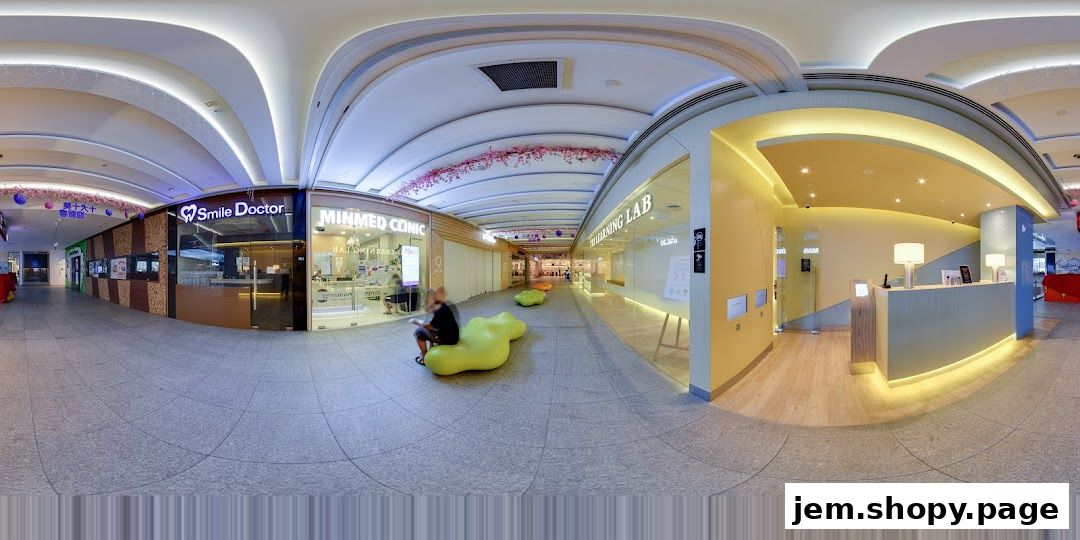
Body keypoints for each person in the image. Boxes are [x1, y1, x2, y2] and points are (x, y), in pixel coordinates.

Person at [413, 288, 460, 365]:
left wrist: (417, 322)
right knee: (428, 330)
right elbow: (435, 325)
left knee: (418, 333)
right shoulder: (441, 305)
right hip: (453, 335)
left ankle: (425, 357)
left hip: (449, 340)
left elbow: (430, 326)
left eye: (427, 300)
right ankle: (431, 348)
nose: (427, 302)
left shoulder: (439, 309)